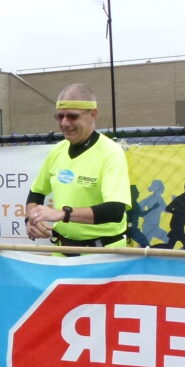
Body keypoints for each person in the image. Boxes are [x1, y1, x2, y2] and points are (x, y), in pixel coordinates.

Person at [25, 84, 131, 248]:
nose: (64, 123)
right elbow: (36, 192)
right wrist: (31, 219)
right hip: (63, 250)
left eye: (72, 116)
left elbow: (114, 211)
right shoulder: (57, 151)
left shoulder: (111, 152)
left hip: (103, 255)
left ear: (93, 114)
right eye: (60, 116)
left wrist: (61, 214)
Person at [156, 180, 185, 250]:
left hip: (176, 225)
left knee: (170, 246)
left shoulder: (181, 198)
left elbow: (169, 208)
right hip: (178, 226)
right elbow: (169, 208)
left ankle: (150, 248)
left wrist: (178, 213)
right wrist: (179, 213)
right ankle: (150, 248)